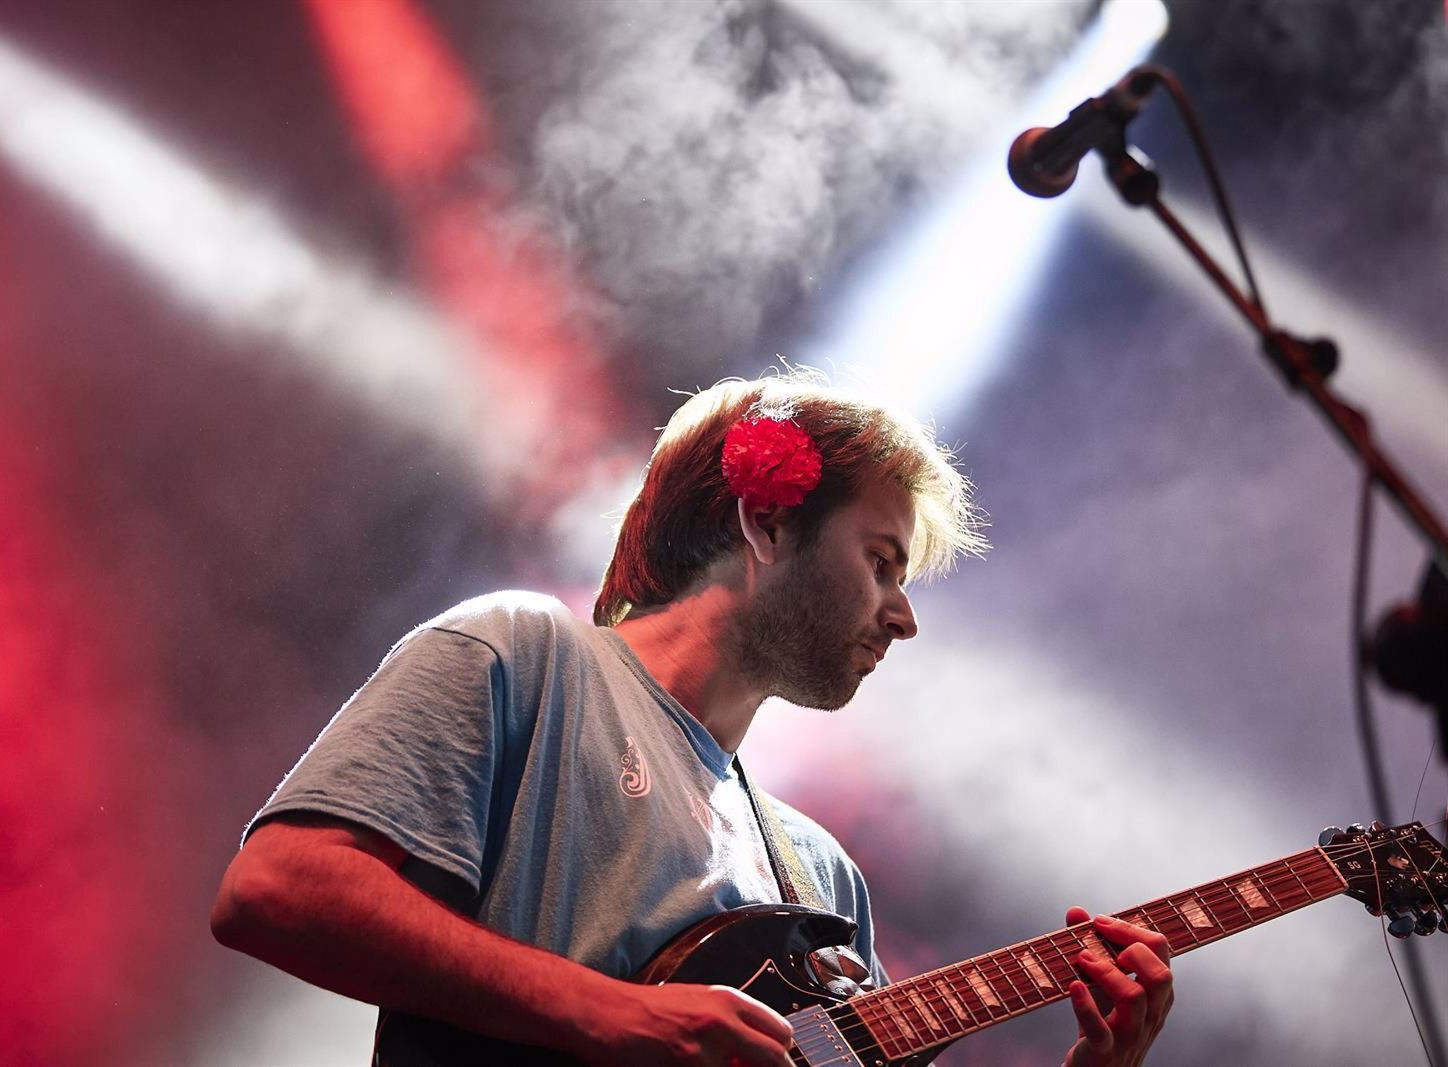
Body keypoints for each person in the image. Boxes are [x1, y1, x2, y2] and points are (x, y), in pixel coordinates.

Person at [211, 372, 1175, 1066]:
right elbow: (279, 888)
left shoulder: (823, 878)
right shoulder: (525, 654)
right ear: (765, 523)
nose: (903, 614)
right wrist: (609, 1013)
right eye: (882, 560)